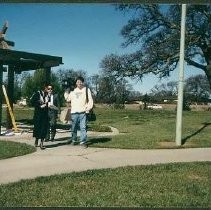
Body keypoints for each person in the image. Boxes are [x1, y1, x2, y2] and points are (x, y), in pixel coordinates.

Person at [64, 76, 93, 148]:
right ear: (76, 83)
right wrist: (66, 91)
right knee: (73, 128)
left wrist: (88, 108)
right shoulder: (73, 91)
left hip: (83, 112)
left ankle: (83, 141)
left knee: (83, 127)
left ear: (83, 82)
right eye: (77, 82)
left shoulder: (86, 90)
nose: (79, 83)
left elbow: (90, 100)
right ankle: (74, 140)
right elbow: (67, 99)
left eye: (80, 82)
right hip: (74, 113)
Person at [31, 84, 51, 149]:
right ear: (44, 88)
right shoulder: (37, 93)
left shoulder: (48, 95)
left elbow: (49, 103)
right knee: (37, 128)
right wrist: (39, 104)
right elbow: (32, 102)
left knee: (44, 128)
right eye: (47, 88)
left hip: (45, 114)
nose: (48, 90)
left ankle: (41, 143)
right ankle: (36, 140)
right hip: (38, 114)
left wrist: (48, 105)